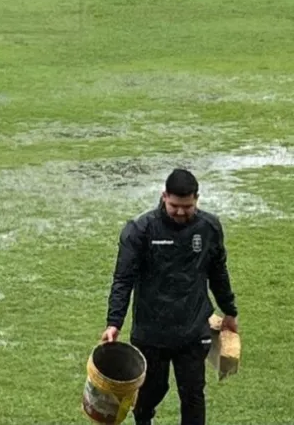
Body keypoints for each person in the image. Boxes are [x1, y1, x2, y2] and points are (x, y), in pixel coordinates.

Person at [102, 168, 239, 425]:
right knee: (152, 390)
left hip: (193, 329)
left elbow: (218, 272)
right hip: (151, 331)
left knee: (193, 396)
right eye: (174, 205)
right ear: (164, 196)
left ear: (197, 198)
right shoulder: (140, 230)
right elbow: (123, 279)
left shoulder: (209, 227)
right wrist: (114, 323)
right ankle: (144, 420)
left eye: (187, 206)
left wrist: (229, 310)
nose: (180, 212)